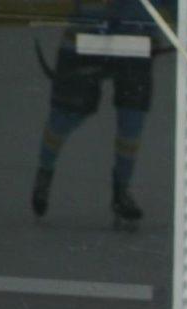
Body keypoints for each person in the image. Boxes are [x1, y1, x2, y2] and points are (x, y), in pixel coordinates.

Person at [31, 0, 178, 228]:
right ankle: (45, 171)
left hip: (137, 42)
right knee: (66, 114)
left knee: (132, 119)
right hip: (86, 38)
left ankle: (121, 190)